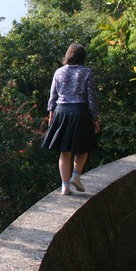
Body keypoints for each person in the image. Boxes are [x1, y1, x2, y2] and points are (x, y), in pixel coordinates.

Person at [42, 43, 101, 195]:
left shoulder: (59, 72)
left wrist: (51, 115)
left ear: (68, 55)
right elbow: (92, 97)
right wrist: (95, 118)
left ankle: (65, 186)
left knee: (64, 150)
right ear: (83, 57)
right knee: (84, 147)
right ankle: (76, 175)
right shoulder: (87, 72)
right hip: (80, 112)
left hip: (62, 112)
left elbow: (53, 96)